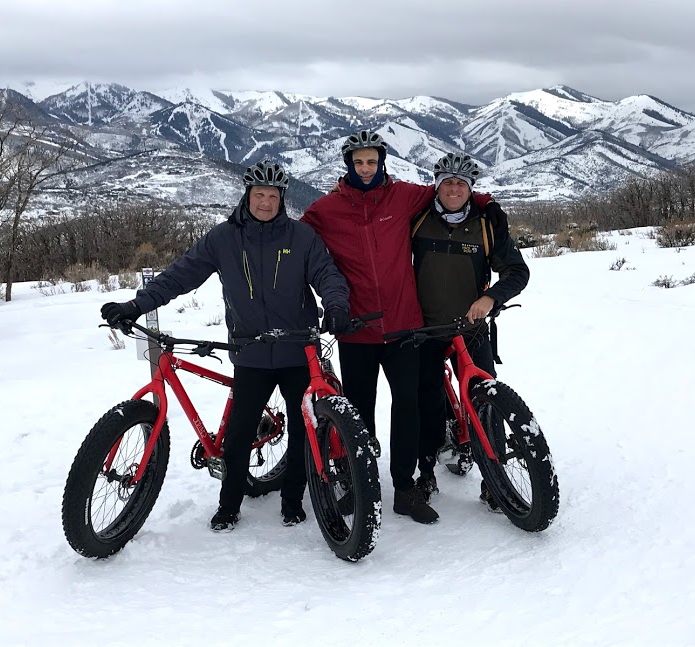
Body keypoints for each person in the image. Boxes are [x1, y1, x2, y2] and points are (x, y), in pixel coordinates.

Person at [101, 161, 351, 532]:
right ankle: (229, 505)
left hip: (298, 348)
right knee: (238, 434)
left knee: (302, 430)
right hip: (250, 352)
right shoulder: (224, 239)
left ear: (282, 199)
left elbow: (327, 275)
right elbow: (178, 276)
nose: (265, 202)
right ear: (246, 196)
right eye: (259, 195)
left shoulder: (301, 237)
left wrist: (336, 305)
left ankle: (292, 501)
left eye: (273, 196)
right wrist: (137, 306)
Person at [301, 130, 490, 524]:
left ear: (382, 162)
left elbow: (450, 195)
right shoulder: (325, 210)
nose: (366, 168)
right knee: (360, 412)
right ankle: (359, 481)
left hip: (405, 327)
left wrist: (489, 204)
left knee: (408, 407)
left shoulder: (403, 196)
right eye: (359, 162)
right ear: (348, 164)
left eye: (372, 161)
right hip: (357, 327)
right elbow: (296, 243)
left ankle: (404, 487)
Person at [411, 153, 530, 511]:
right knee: (424, 404)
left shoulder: (485, 225)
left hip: (472, 329)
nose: (453, 189)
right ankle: (426, 473)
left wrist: (491, 298)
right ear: (436, 185)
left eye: (461, 184)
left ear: (470, 189)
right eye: (447, 182)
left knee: (485, 405)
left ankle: (492, 479)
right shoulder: (416, 221)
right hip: (426, 330)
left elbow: (516, 271)